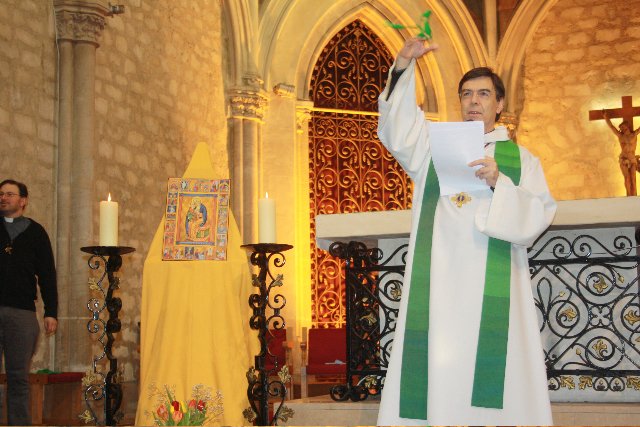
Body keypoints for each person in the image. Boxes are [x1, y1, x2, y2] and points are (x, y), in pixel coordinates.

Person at [376, 38, 557, 425]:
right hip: (438, 281)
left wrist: (500, 184)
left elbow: (540, 213)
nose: (474, 101)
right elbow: (397, 129)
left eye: (483, 94)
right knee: (439, 362)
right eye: (467, 94)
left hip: (494, 284)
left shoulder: (521, 160)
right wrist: (404, 64)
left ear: (500, 104)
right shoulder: (432, 147)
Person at [0, 179, 58, 425]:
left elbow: (47, 274)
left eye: (9, 194)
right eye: (1, 194)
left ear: (23, 200)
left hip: (22, 313)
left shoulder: (36, 232)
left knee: (18, 377)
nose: (3, 198)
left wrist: (51, 311)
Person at [603, 110, 640, 196]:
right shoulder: (620, 136)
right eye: (621, 128)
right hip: (624, 158)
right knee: (627, 178)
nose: (622, 129)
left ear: (627, 127)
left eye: (623, 127)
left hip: (632, 158)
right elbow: (612, 127)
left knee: (633, 179)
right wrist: (606, 117)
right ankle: (628, 195)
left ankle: (634, 196)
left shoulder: (634, 135)